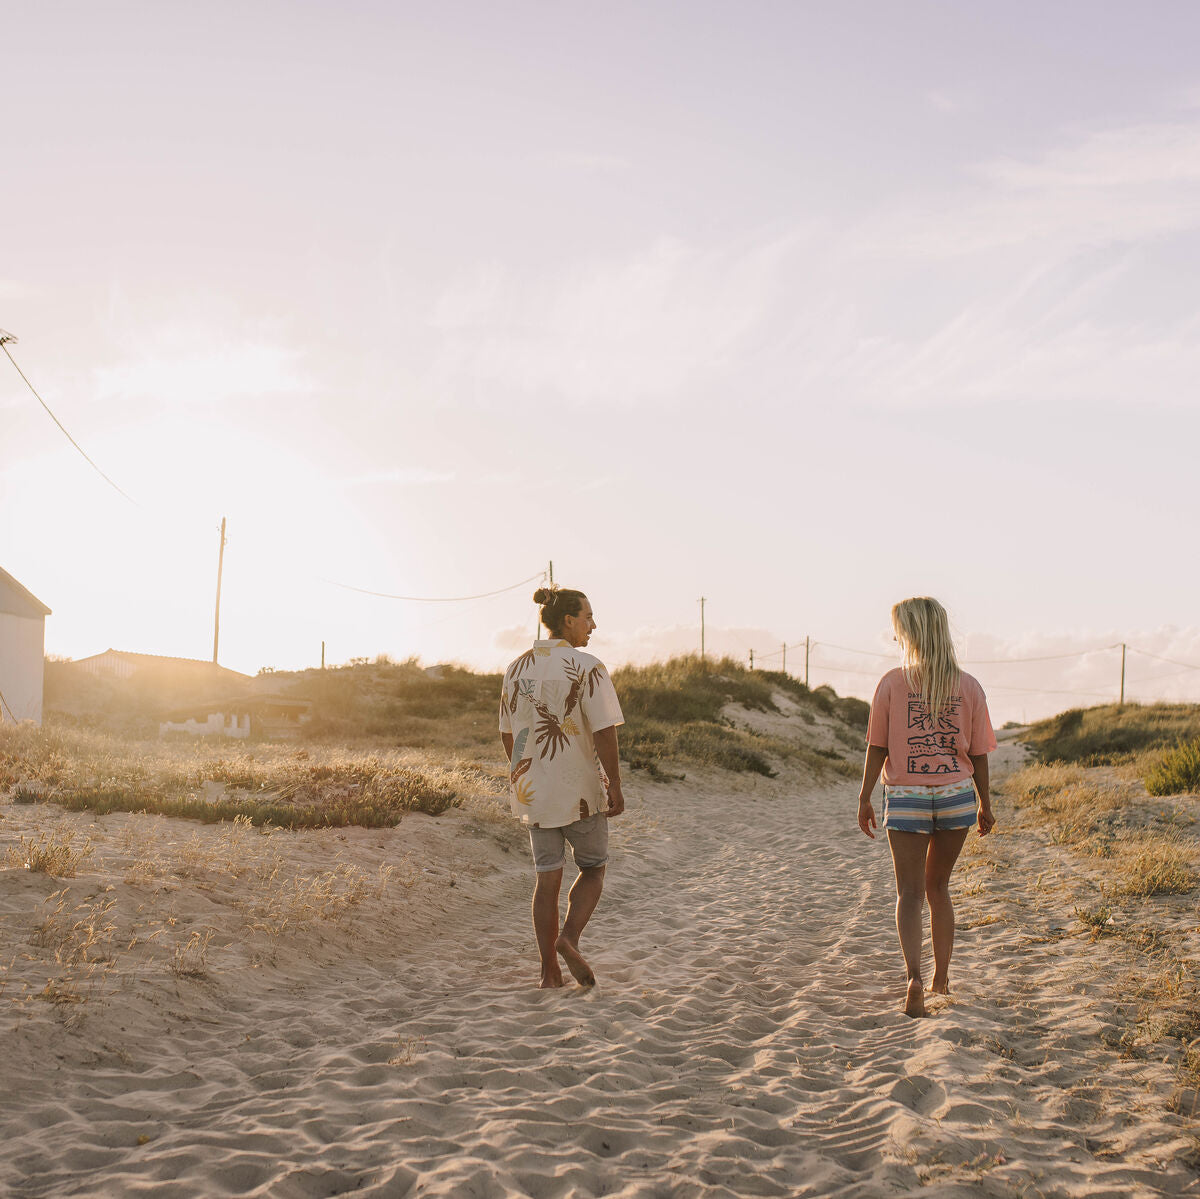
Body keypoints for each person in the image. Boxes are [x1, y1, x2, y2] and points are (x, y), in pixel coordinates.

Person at [857, 596, 997, 1017]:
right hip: (956, 793)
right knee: (940, 889)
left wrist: (864, 797)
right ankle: (942, 978)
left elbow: (877, 746)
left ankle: (914, 977)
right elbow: (980, 752)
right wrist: (985, 803)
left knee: (910, 893)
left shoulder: (891, 683)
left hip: (906, 796)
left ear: (910, 633)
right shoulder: (968, 686)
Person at [499, 585, 626, 989]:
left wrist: (523, 773)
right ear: (568, 620)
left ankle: (547, 972)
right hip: (580, 790)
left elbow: (509, 735)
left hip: (533, 791)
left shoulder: (515, 668)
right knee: (593, 867)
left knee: (546, 879)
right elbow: (605, 731)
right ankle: (568, 939)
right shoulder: (588, 666)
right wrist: (615, 784)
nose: (593, 624)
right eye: (588, 616)